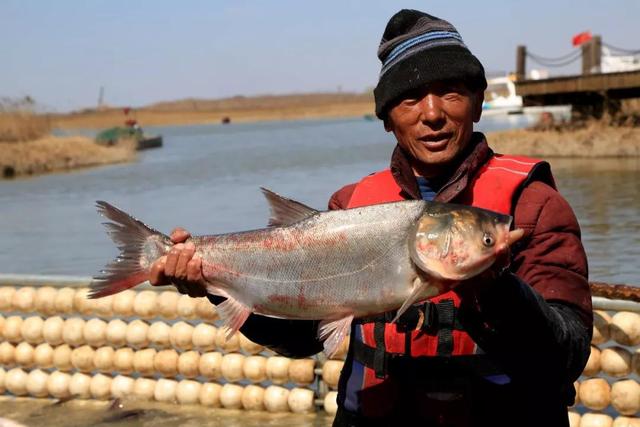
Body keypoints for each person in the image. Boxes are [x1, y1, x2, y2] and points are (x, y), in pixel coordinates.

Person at [149, 10, 592, 426]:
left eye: (451, 92)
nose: (432, 113)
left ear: (477, 103)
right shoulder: (349, 206)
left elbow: (568, 353)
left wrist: (496, 288)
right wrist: (212, 283)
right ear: (387, 118)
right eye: (410, 98)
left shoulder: (533, 206)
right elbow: (304, 338)